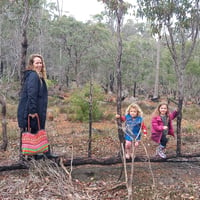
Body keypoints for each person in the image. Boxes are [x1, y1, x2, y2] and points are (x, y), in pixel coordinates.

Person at [17, 54, 57, 160]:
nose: (39, 64)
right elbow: (31, 94)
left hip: (37, 110)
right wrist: (32, 110)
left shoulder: (38, 76)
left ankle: (40, 155)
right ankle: (31, 157)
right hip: (31, 111)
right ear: (32, 64)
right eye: (37, 63)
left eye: (40, 62)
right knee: (32, 132)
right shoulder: (33, 76)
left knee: (37, 131)